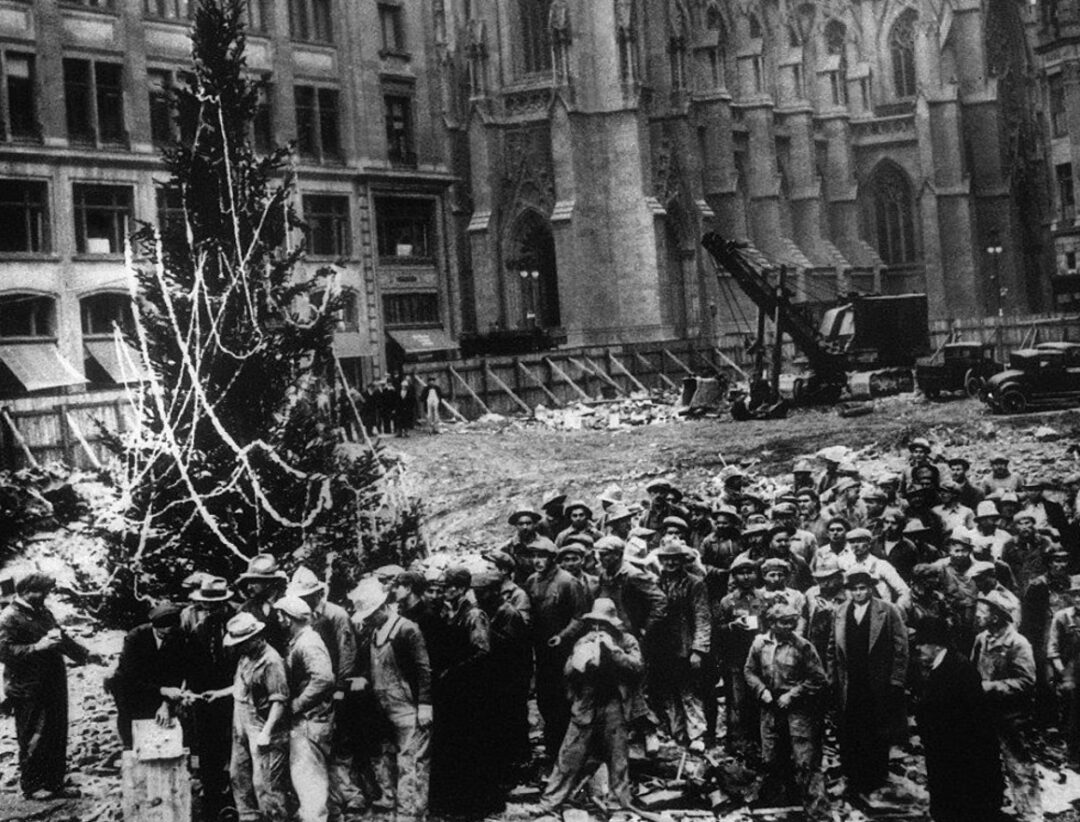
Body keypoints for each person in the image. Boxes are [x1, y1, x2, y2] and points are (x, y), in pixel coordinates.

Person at [536, 598, 644, 817]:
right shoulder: (584, 640)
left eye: (603, 624)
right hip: (587, 702)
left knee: (618, 758)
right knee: (569, 754)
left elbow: (637, 667)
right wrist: (582, 659)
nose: (598, 628)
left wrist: (614, 652)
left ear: (613, 624)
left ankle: (619, 804)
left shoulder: (626, 640)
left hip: (615, 703)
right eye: (594, 624)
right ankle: (550, 801)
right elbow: (568, 672)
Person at [0, 572, 100, 800]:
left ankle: (55, 783)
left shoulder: (44, 613)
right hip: (28, 687)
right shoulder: (8, 617)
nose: (44, 596)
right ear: (25, 592)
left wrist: (85, 655)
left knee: (56, 732)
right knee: (34, 735)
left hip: (53, 684)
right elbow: (4, 651)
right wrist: (37, 647)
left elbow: (61, 639)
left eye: (46, 592)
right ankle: (32, 786)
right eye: (40, 592)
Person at [353, 579, 433, 822]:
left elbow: (423, 669)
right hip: (385, 707)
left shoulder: (407, 629)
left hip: (409, 708)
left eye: (369, 616)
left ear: (381, 608)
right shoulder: (375, 632)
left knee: (413, 764)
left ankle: (412, 815)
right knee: (389, 760)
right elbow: (373, 667)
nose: (366, 621)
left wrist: (425, 704)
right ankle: (396, 807)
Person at [287, 566, 363, 821]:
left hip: (335, 688)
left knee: (340, 745)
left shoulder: (335, 615)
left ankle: (350, 796)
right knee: (318, 750)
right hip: (314, 692)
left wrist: (340, 690)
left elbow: (347, 654)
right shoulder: (303, 618)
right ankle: (327, 802)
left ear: (318, 593)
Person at [744, 602, 830, 822]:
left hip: (799, 710)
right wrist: (761, 690)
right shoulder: (759, 644)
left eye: (793, 622)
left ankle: (818, 813)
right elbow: (749, 671)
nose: (789, 627)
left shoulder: (803, 646)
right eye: (784, 622)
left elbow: (818, 679)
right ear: (772, 623)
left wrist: (792, 694)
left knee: (806, 760)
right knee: (771, 757)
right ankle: (781, 802)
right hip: (770, 707)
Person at [912, 616, 1004, 822]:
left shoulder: (958, 668)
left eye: (922, 644)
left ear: (936, 645)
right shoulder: (944, 664)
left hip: (958, 752)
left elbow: (968, 716)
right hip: (947, 749)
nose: (918, 648)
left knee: (957, 803)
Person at [830, 569, 909, 797]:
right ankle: (851, 776)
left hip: (877, 682)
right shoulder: (840, 612)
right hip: (850, 681)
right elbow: (831, 648)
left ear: (871, 588)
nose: (858, 593)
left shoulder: (888, 611)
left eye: (863, 588)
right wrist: (832, 677)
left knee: (877, 728)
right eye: (854, 589)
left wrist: (896, 680)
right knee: (850, 728)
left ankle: (876, 777)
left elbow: (901, 649)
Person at [430, 567, 500, 815]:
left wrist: (453, 672)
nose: (444, 590)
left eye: (448, 586)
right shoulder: (451, 612)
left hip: (472, 691)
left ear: (460, 588)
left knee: (472, 746)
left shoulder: (473, 615)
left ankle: (476, 805)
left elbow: (481, 652)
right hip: (456, 692)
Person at [971, 590, 1042, 822]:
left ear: (995, 617)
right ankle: (992, 806)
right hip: (985, 713)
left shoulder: (1018, 644)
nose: (977, 615)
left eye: (982, 612)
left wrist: (990, 687)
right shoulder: (981, 639)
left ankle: (1030, 813)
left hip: (1012, 715)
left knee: (1018, 764)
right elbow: (973, 672)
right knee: (986, 762)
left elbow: (1026, 682)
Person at [274, 595, 335, 822]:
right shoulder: (300, 640)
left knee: (309, 778)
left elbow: (324, 678)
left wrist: (297, 705)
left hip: (311, 720)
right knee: (304, 777)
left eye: (281, 615)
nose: (278, 620)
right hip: (308, 719)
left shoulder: (308, 642)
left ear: (289, 619)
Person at [225, 611, 289, 822]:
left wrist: (267, 732)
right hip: (241, 722)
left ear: (255, 638)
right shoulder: (245, 656)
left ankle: (275, 818)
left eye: (243, 642)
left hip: (262, 724)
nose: (238, 647)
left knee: (265, 783)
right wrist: (219, 693)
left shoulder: (271, 661)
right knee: (238, 775)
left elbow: (279, 701)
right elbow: (242, 686)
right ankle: (248, 817)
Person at [529, 540, 590, 757]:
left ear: (552, 558)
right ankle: (553, 745)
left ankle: (569, 749)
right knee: (545, 698)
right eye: (534, 555)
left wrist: (563, 637)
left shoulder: (568, 582)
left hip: (565, 650)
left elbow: (581, 617)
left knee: (566, 698)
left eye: (542, 556)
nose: (537, 561)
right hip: (543, 650)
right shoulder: (532, 581)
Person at [185, 575, 239, 819]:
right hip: (206, 697)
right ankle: (212, 800)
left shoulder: (240, 620)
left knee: (236, 748)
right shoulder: (199, 626)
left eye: (214, 605)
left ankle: (234, 800)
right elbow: (193, 663)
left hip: (235, 693)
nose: (209, 609)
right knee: (208, 749)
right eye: (206, 605)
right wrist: (193, 692)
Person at [472, 570, 531, 784]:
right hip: (496, 677)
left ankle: (521, 766)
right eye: (476, 592)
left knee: (514, 720)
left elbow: (511, 646)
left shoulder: (508, 613)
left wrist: (486, 633)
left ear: (495, 591)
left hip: (512, 677)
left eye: (482, 592)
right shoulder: (486, 610)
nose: (478, 596)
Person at [653, 540, 710, 752]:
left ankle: (697, 734)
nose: (670, 563)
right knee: (668, 692)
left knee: (690, 691)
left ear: (682, 560)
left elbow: (702, 617)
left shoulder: (695, 584)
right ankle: (677, 733)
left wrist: (698, 650)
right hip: (662, 647)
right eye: (666, 559)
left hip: (686, 646)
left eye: (674, 559)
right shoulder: (656, 583)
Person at [110, 602, 190, 749]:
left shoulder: (178, 638)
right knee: (134, 727)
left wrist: (166, 703)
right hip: (129, 688)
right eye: (162, 630)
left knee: (161, 726)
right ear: (155, 626)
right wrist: (162, 690)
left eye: (171, 629)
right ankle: (131, 751)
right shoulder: (135, 638)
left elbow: (176, 673)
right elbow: (131, 676)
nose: (167, 633)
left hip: (160, 685)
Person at [718, 554, 767, 756]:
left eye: (750, 572)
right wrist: (732, 626)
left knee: (759, 698)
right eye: (741, 573)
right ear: (735, 577)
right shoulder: (727, 601)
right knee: (737, 701)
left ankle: (760, 743)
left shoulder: (764, 598)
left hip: (761, 657)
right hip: (736, 658)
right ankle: (737, 745)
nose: (746, 577)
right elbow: (718, 629)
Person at [1047, 587, 1080, 766]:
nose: (1078, 598)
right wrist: (1065, 676)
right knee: (1072, 717)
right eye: (1075, 594)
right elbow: (1053, 650)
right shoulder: (1062, 617)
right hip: (1071, 674)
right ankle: (1074, 758)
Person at [236, 553, 289, 655]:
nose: (249, 588)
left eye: (254, 582)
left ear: (268, 582)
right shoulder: (246, 609)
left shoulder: (288, 603)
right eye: (248, 583)